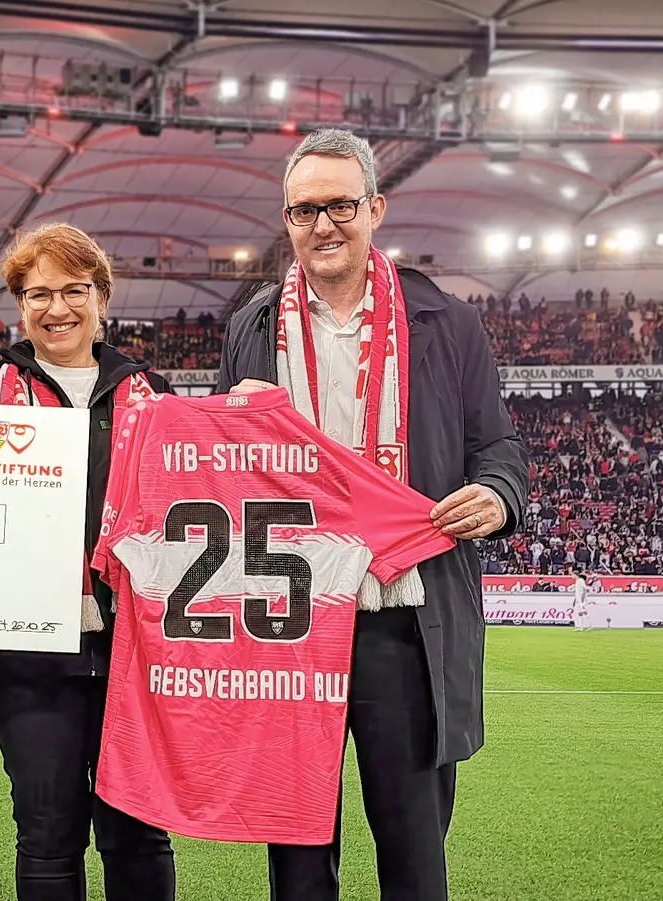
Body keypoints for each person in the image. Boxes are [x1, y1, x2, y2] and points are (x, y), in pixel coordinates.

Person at [213, 128, 529, 901]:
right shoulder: (252, 328)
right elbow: (227, 474)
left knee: (415, 848)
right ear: (285, 220)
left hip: (404, 620)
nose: (323, 225)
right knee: (295, 856)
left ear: (375, 208)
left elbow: (499, 444)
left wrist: (497, 494)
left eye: (340, 205)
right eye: (304, 210)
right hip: (292, 624)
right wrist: (230, 421)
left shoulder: (446, 323)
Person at [0, 223, 177, 900]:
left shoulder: (154, 393)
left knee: (137, 827)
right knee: (47, 828)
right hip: (26, 654)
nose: (57, 309)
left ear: (102, 297)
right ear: (18, 305)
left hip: (137, 647)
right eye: (38, 293)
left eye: (74, 290)